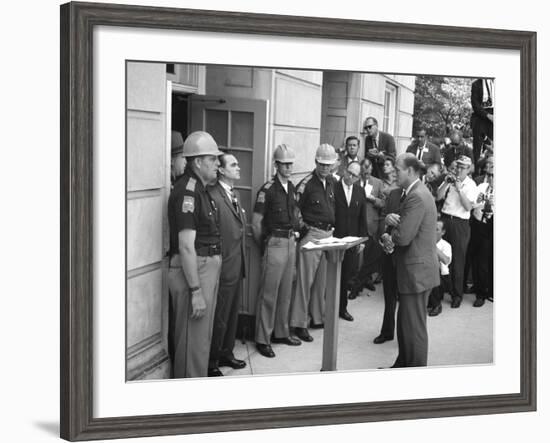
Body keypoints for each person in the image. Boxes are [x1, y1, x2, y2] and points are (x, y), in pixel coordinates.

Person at [167, 131, 224, 378]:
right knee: (192, 341)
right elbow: (186, 245)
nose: (218, 164)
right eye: (213, 159)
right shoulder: (188, 191)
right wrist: (196, 291)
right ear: (198, 162)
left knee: (200, 341)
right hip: (195, 270)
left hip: (204, 267)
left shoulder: (200, 189)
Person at [381, 153, 439, 367]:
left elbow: (404, 237)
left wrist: (389, 234)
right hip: (415, 271)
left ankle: (414, 374)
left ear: (411, 171)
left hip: (417, 273)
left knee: (413, 328)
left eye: (398, 169)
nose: (393, 172)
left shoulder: (416, 195)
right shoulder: (414, 192)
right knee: (406, 324)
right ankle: (403, 365)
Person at [252, 144, 302, 358]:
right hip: (275, 243)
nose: (289, 167)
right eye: (284, 164)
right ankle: (263, 338)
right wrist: (266, 246)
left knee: (286, 292)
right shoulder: (267, 190)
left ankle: (281, 332)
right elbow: (256, 223)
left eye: (290, 163)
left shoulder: (291, 187)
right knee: (269, 294)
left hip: (291, 242)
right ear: (277, 165)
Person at [290, 143, 337, 342]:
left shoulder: (332, 182)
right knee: (304, 282)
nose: (325, 168)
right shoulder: (306, 183)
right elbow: (294, 211)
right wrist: (304, 230)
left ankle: (318, 317)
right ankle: (299, 323)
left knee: (321, 281)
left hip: (328, 234)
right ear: (315, 162)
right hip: (313, 234)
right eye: (322, 164)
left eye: (328, 164)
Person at [206, 153, 247, 376]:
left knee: (232, 314)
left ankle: (226, 353)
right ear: (221, 170)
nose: (238, 167)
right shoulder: (213, 195)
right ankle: (212, 360)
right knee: (219, 315)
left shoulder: (235, 194)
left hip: (237, 264)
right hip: (222, 266)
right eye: (233, 164)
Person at [437, 155, 478, 308]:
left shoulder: (471, 185)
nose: (459, 169)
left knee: (458, 260)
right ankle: (440, 291)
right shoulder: (450, 179)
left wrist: (460, 190)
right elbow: (438, 196)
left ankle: (456, 294)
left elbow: (468, 207)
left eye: (462, 167)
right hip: (446, 219)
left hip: (460, 222)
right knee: (441, 255)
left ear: (468, 169)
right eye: (458, 166)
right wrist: (446, 184)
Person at [333, 161, 368, 322]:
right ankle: (328, 309)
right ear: (344, 171)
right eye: (349, 172)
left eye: (354, 175)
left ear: (358, 177)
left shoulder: (360, 192)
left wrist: (362, 240)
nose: (350, 177)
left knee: (346, 275)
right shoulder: (334, 188)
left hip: (352, 240)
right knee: (332, 275)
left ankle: (342, 308)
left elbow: (363, 217)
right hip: (334, 239)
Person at [348, 157, 385, 298]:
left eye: (368, 170)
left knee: (369, 258)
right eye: (364, 171)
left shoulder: (377, 183)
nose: (366, 173)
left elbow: (383, 203)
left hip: (372, 225)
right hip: (357, 226)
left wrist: (373, 199)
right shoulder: (354, 182)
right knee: (356, 257)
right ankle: (354, 284)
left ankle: (365, 281)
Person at [373, 186, 401, 344]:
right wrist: (384, 234)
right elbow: (383, 217)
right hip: (388, 252)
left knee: (405, 299)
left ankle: (405, 335)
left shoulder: (419, 194)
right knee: (389, 295)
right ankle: (387, 331)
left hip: (406, 254)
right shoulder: (394, 194)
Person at [470, 155, 494, 307]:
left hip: (492, 225)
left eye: (494, 175)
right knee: (479, 259)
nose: (491, 178)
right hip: (479, 225)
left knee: (490, 260)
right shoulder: (481, 187)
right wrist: (480, 202)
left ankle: (488, 290)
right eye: (490, 175)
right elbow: (472, 205)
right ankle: (480, 292)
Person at [426, 218, 453, 316]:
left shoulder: (446, 245)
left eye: (436, 229)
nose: (433, 231)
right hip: (426, 272)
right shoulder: (424, 241)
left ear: (443, 232)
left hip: (441, 276)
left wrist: (433, 246)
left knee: (433, 272)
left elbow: (446, 261)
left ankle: (437, 305)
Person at [471, 78, 494, 174]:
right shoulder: (476, 84)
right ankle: (477, 175)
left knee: (493, 147)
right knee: (478, 150)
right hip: (481, 117)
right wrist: (488, 116)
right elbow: (475, 105)